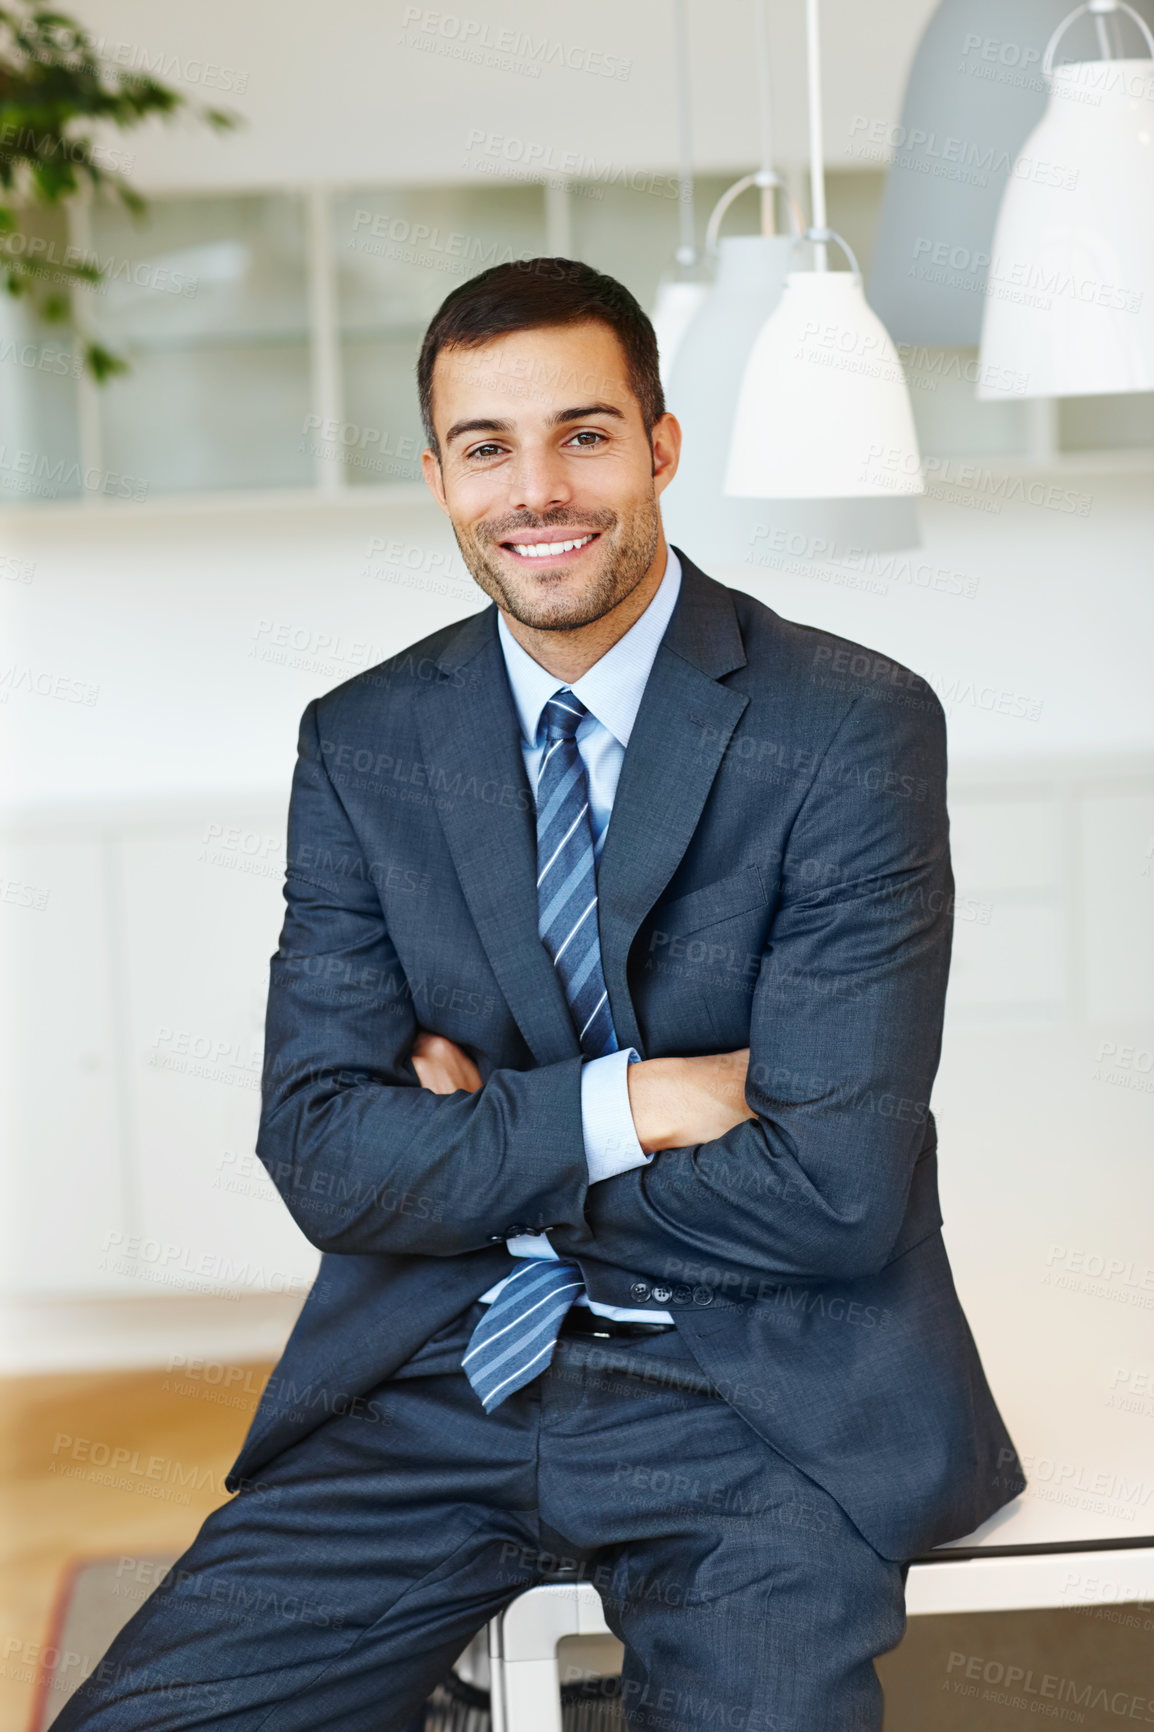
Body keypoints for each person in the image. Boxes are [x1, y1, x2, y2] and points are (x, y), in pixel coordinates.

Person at [51, 258, 1024, 1732]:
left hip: (758, 1398)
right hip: (444, 1373)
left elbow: (830, 1189)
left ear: (659, 448)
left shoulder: (847, 725)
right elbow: (322, 1154)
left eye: (582, 434)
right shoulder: (365, 740)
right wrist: (638, 1102)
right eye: (489, 448)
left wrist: (483, 1157)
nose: (538, 492)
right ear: (439, 475)